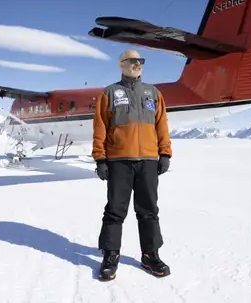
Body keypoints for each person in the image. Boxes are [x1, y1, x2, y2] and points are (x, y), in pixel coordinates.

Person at [92, 49, 172, 281]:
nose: (137, 64)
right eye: (132, 60)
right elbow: (100, 127)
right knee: (115, 211)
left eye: (140, 61)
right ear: (121, 64)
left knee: (149, 211)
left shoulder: (153, 93)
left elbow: (161, 124)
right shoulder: (110, 92)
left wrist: (164, 153)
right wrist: (100, 158)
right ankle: (110, 254)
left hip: (148, 160)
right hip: (119, 161)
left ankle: (150, 254)